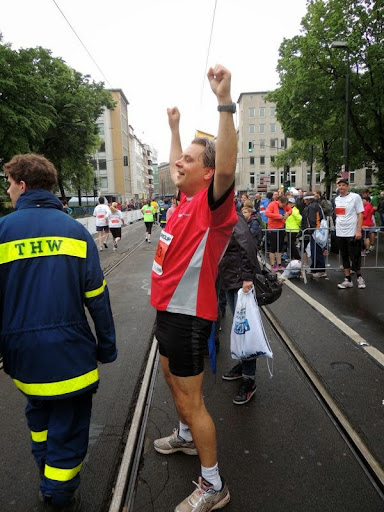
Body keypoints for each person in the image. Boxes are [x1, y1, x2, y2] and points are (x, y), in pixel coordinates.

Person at [0, 153, 117, 512]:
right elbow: (97, 297)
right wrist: (106, 346)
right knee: (69, 427)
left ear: (22, 185)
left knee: (39, 415)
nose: (7, 190)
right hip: (70, 356)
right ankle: (59, 493)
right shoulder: (74, 231)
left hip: (23, 357)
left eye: (9, 184)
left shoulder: (2, 231)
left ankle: (45, 468)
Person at [150, 64, 237, 512]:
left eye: (189, 160)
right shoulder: (184, 201)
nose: (177, 164)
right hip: (168, 311)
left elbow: (224, 167)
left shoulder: (211, 206)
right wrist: (175, 128)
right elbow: (176, 163)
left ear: (208, 174)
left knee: (192, 397)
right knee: (169, 378)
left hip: (188, 314)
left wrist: (224, 102)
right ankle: (185, 438)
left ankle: (212, 482)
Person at [220, 212, 262, 404]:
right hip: (228, 280)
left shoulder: (230, 216)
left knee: (245, 330)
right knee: (239, 330)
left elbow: (248, 245)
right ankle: (243, 365)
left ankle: (249, 379)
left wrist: (247, 277)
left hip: (238, 283)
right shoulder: (217, 216)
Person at [334, 178, 366, 289]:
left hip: (352, 232)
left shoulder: (355, 197)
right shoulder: (337, 199)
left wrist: (358, 230)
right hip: (340, 232)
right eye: (339, 185)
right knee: (344, 256)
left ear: (347, 186)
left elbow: (360, 214)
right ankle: (347, 279)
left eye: (343, 185)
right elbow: (339, 214)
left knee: (355, 256)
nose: (341, 187)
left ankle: (359, 278)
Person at [301, 191, 328, 278]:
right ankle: (315, 268)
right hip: (317, 230)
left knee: (316, 251)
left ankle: (320, 269)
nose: (304, 201)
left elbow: (312, 220)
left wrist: (309, 230)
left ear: (308, 200)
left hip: (315, 231)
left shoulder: (312, 207)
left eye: (305, 199)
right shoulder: (316, 205)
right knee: (314, 250)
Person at [265, 195, 291, 271]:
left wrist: (288, 213)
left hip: (281, 227)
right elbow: (267, 213)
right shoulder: (272, 204)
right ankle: (273, 264)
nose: (284, 206)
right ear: (279, 202)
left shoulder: (284, 206)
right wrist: (278, 216)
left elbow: (290, 210)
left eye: (284, 205)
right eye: (282, 205)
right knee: (273, 247)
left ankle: (279, 264)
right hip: (273, 228)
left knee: (280, 247)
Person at [285, 197, 302, 261]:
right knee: (290, 244)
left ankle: (297, 257)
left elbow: (299, 219)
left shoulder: (294, 210)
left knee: (291, 244)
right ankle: (292, 257)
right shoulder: (289, 210)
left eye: (290, 203)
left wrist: (297, 225)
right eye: (288, 203)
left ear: (293, 204)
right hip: (289, 229)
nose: (289, 204)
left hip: (293, 229)